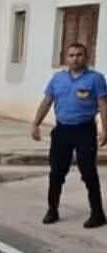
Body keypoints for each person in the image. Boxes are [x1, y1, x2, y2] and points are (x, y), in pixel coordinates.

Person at [31, 42, 107, 228]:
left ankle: (97, 214)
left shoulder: (95, 79)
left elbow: (103, 105)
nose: (75, 58)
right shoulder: (58, 79)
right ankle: (52, 210)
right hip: (62, 131)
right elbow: (47, 102)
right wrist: (35, 124)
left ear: (86, 57)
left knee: (88, 173)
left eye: (79, 55)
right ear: (66, 58)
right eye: (71, 55)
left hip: (85, 131)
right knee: (56, 172)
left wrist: (105, 130)